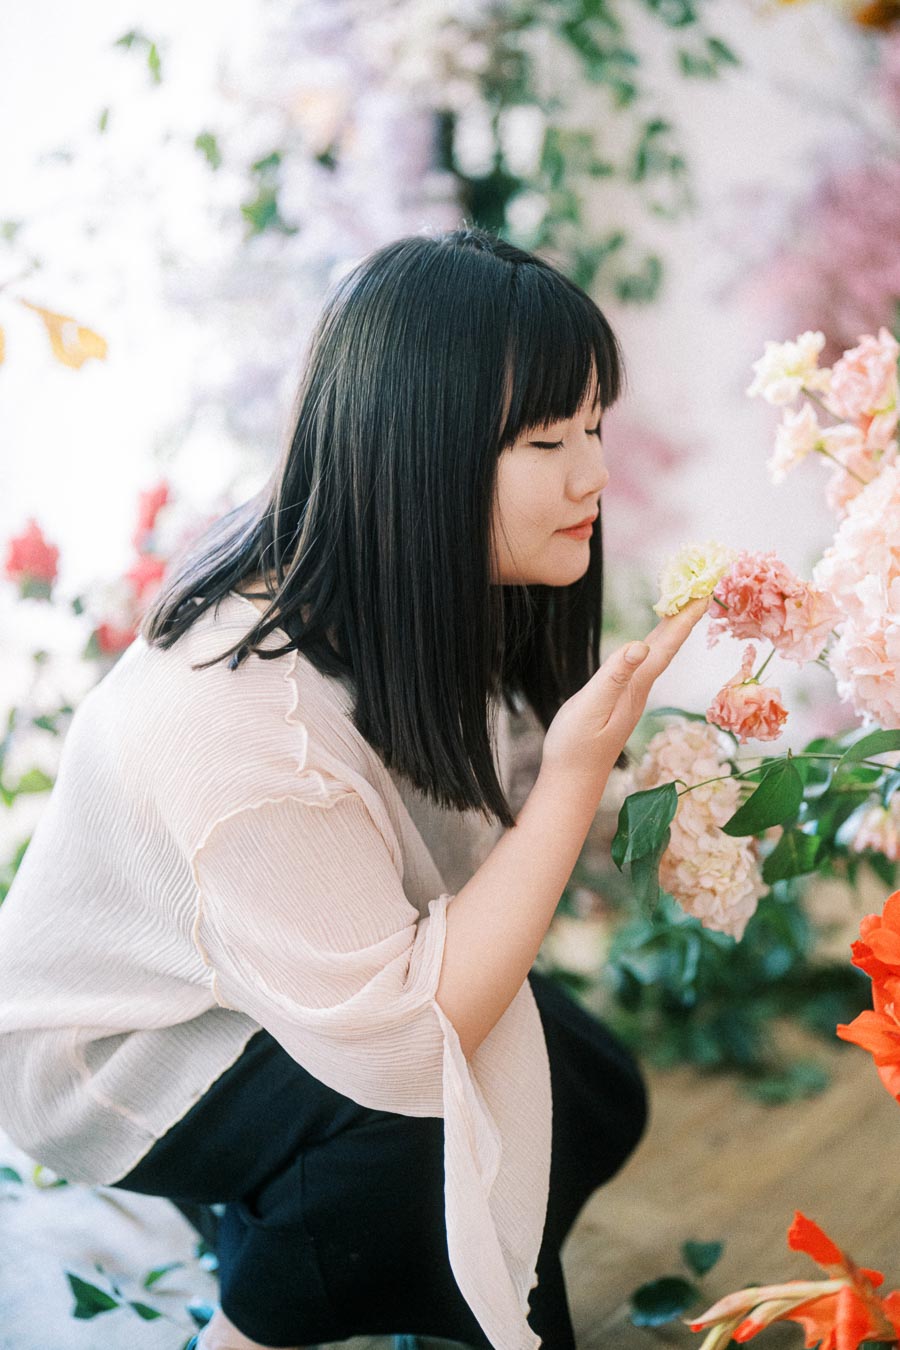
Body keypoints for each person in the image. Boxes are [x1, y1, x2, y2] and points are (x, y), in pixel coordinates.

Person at [0, 226, 707, 1350]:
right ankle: (254, 1322)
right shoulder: (243, 716)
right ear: (419, 454)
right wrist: (577, 780)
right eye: (545, 440)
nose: (594, 475)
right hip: (128, 1052)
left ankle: (298, 1233)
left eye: (592, 425)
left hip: (281, 975)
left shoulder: (411, 570)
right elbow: (401, 1039)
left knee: (585, 1084)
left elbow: (494, 787)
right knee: (442, 1139)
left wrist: (698, 800)